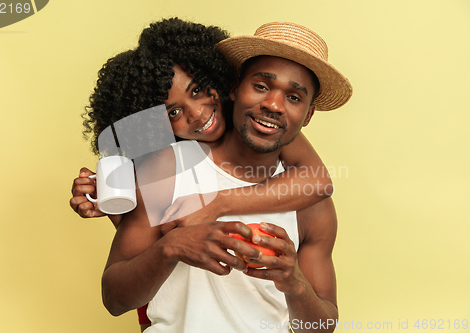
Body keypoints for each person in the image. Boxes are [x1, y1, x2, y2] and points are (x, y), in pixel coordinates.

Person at [100, 22, 352, 332]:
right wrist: (171, 246)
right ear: (235, 87)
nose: (273, 104)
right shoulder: (164, 169)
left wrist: (295, 284)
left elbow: (321, 327)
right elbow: (114, 298)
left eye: (294, 98)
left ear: (308, 115)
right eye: (261, 86)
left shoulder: (311, 202)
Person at [71, 18, 332, 229]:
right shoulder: (165, 164)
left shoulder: (258, 119)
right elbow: (152, 256)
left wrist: (218, 203)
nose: (196, 113)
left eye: (197, 90)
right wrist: (116, 208)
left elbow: (319, 181)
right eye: (172, 112)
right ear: (152, 127)